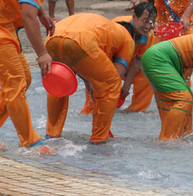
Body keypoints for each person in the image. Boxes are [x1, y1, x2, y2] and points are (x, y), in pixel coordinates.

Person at [0, 0, 83, 152]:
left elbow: (28, 1)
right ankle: (31, 142)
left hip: (6, 25)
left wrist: (42, 14)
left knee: (24, 79)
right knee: (16, 82)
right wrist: (42, 54)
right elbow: (27, 15)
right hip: (2, 26)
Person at [45, 13, 135, 144]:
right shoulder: (128, 39)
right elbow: (115, 75)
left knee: (59, 82)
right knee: (112, 84)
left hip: (53, 36)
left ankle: (52, 134)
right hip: (82, 41)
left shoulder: (106, 29)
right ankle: (100, 138)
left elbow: (90, 71)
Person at [113, 3, 158, 112]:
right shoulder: (118, 25)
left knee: (151, 71)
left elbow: (137, 63)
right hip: (109, 63)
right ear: (134, 17)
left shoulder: (149, 35)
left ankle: (136, 110)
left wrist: (125, 88)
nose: (148, 26)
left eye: (152, 22)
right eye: (145, 21)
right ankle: (91, 109)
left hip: (128, 63)